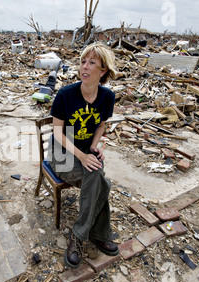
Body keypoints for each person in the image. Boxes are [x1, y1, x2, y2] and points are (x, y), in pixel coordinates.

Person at [49, 43, 118, 268]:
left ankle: (79, 236)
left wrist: (95, 147)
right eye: (82, 62)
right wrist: (82, 155)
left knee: (95, 176)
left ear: (103, 70)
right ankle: (96, 234)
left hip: (85, 152)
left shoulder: (107, 97)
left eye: (92, 63)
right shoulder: (66, 95)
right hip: (62, 154)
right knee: (100, 182)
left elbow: (100, 126)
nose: (84, 68)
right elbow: (57, 132)